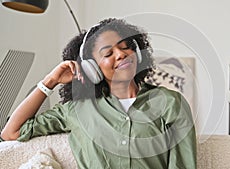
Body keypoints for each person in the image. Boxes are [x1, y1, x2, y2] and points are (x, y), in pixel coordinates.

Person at [1, 18, 197, 169]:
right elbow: (11, 132)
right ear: (91, 67)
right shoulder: (78, 109)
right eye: (108, 53)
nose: (121, 54)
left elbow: (183, 165)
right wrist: (49, 81)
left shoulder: (171, 103)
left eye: (125, 47)